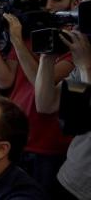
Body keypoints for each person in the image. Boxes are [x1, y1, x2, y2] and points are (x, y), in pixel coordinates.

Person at [0, 0, 79, 195]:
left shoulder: (77, 44)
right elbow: (4, 79)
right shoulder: (29, 34)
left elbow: (41, 82)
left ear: (74, 3)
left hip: (48, 148)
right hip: (15, 138)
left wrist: (17, 40)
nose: (47, 6)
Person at [35, 28, 91, 200]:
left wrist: (85, 67)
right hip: (74, 178)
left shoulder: (86, 64)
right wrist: (47, 58)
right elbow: (46, 104)